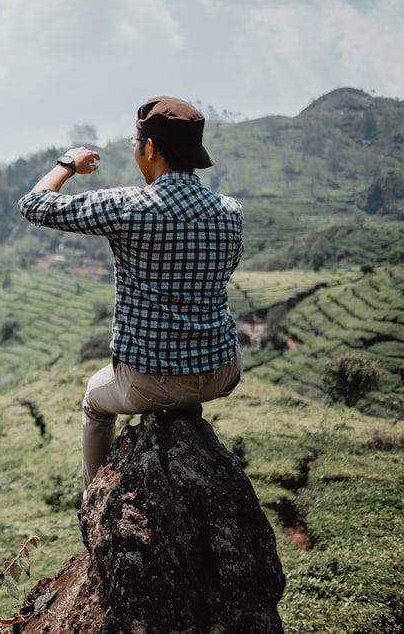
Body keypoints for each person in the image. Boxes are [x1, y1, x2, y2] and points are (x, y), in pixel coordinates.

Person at [17, 96, 244, 490]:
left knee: (95, 402)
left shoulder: (129, 206)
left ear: (150, 147)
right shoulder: (230, 210)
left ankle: (95, 497)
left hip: (149, 382)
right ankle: (184, 409)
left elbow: (35, 205)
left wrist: (68, 163)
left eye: (136, 142)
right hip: (221, 372)